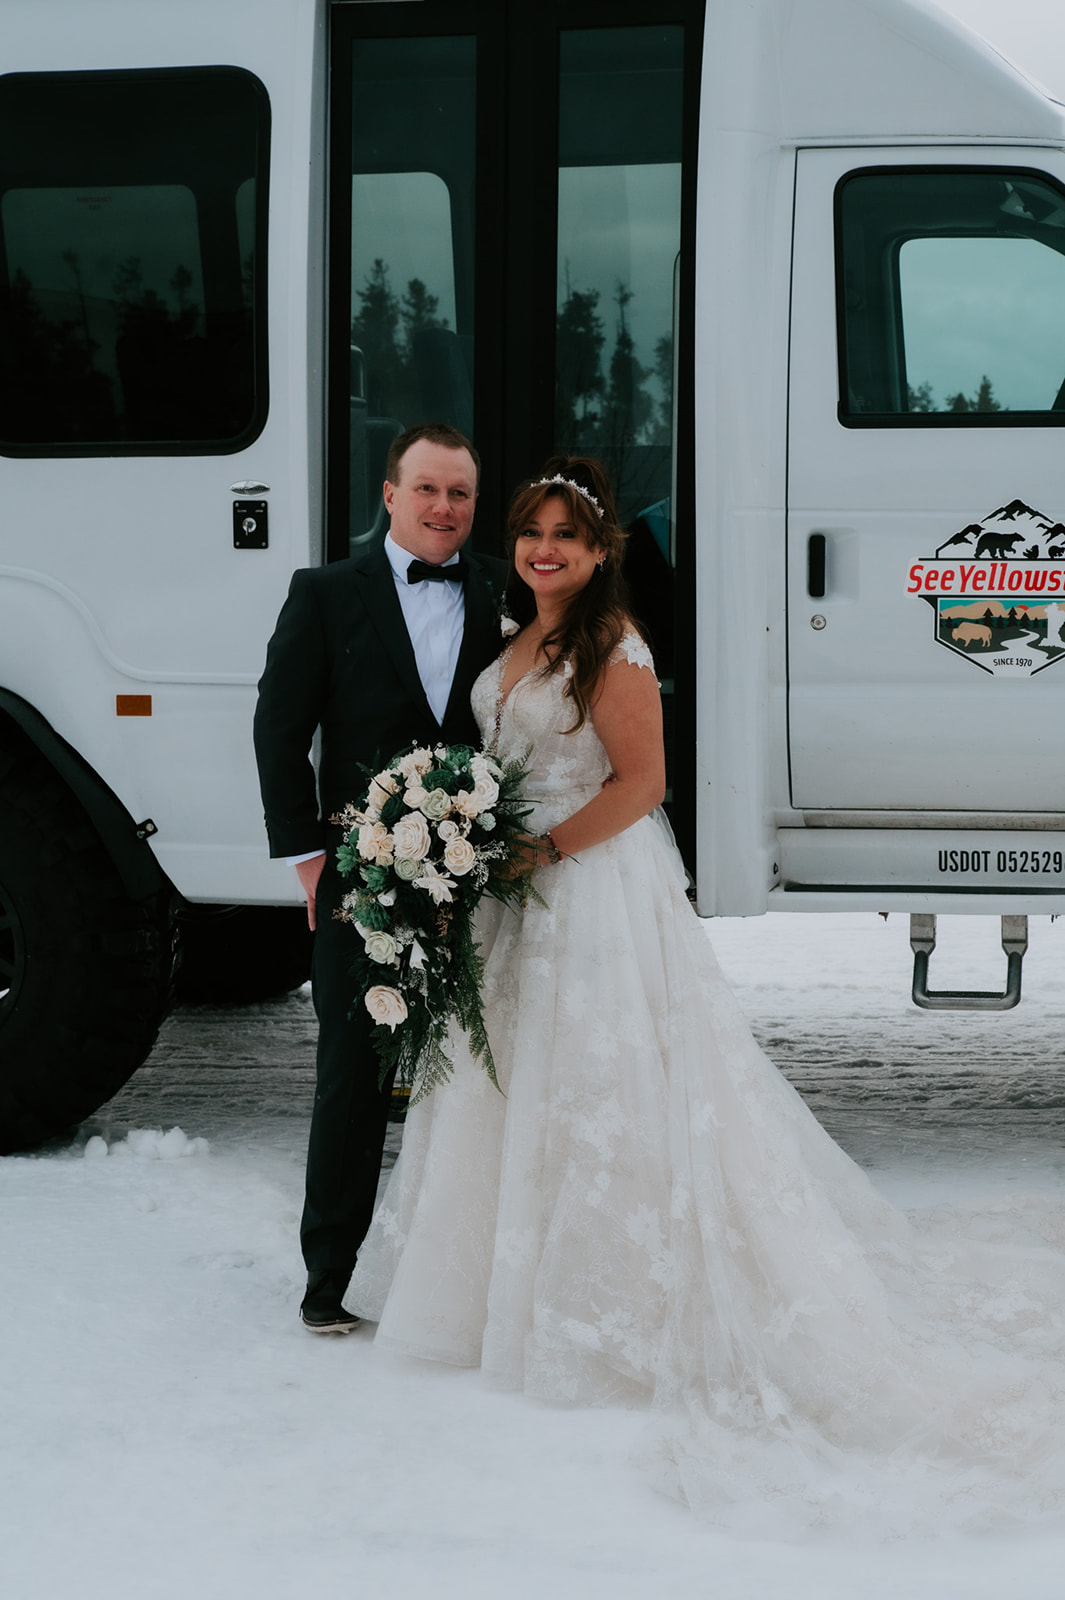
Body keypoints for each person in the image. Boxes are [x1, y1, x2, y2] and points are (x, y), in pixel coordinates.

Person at [349, 454, 1065, 1535]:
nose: (547, 551)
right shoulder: (520, 640)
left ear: (600, 554)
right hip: (517, 893)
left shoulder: (612, 645)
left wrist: (536, 851)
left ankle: (609, 1302)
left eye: (568, 538)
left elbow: (644, 785)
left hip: (589, 893)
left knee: (601, 1085)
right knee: (516, 1086)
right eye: (533, 533)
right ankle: (497, 1292)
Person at [254, 423, 506, 1333]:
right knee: (352, 1078)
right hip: (360, 877)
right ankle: (328, 1283)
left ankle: (470, 1278)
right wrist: (309, 856)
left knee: (476, 1074)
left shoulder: (498, 595)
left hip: (477, 879)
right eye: (429, 490)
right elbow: (279, 731)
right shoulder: (323, 594)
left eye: (462, 495)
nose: (446, 509)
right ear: (391, 495)